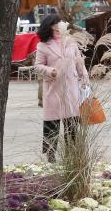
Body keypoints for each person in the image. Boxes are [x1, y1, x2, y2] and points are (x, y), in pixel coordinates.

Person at [34, 15, 90, 162]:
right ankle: (51, 156)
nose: (60, 26)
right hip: (53, 89)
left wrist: (85, 80)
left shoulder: (71, 42)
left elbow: (79, 62)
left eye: (61, 24)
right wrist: (50, 71)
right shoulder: (43, 45)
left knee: (71, 124)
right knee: (52, 124)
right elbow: (38, 66)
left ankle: (72, 155)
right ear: (50, 26)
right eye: (57, 24)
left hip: (72, 89)